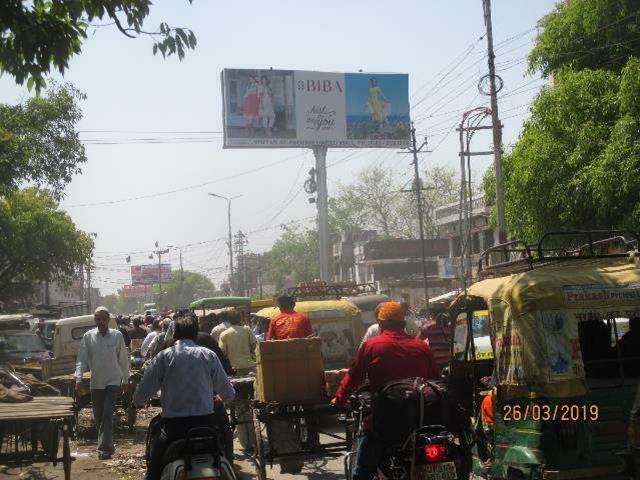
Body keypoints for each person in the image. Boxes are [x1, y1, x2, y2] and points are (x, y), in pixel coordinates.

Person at [332, 301, 440, 480]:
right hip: (423, 416)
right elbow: (435, 380)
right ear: (403, 324)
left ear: (380, 324)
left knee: (363, 470)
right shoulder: (422, 346)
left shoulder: (372, 345)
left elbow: (353, 377)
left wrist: (339, 399)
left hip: (387, 418)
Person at [134, 315, 235, 480]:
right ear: (195, 334)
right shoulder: (208, 355)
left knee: (154, 465)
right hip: (207, 426)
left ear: (173, 335)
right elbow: (229, 394)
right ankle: (231, 468)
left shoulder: (163, 357)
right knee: (226, 435)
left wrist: (138, 402)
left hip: (174, 429)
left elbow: (140, 397)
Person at [75, 306, 130, 460]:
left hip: (113, 380)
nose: (101, 322)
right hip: (96, 382)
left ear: (108, 320)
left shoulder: (117, 336)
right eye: (98, 319)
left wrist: (126, 379)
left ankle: (103, 448)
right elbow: (82, 359)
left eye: (103, 319)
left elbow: (123, 360)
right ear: (95, 321)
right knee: (99, 417)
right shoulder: (88, 336)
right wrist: (78, 379)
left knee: (107, 414)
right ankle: (108, 443)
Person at [219, 310, 257, 375]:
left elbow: (222, 351)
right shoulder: (247, 330)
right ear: (240, 319)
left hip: (234, 368)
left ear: (229, 320)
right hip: (249, 365)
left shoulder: (224, 334)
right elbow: (255, 346)